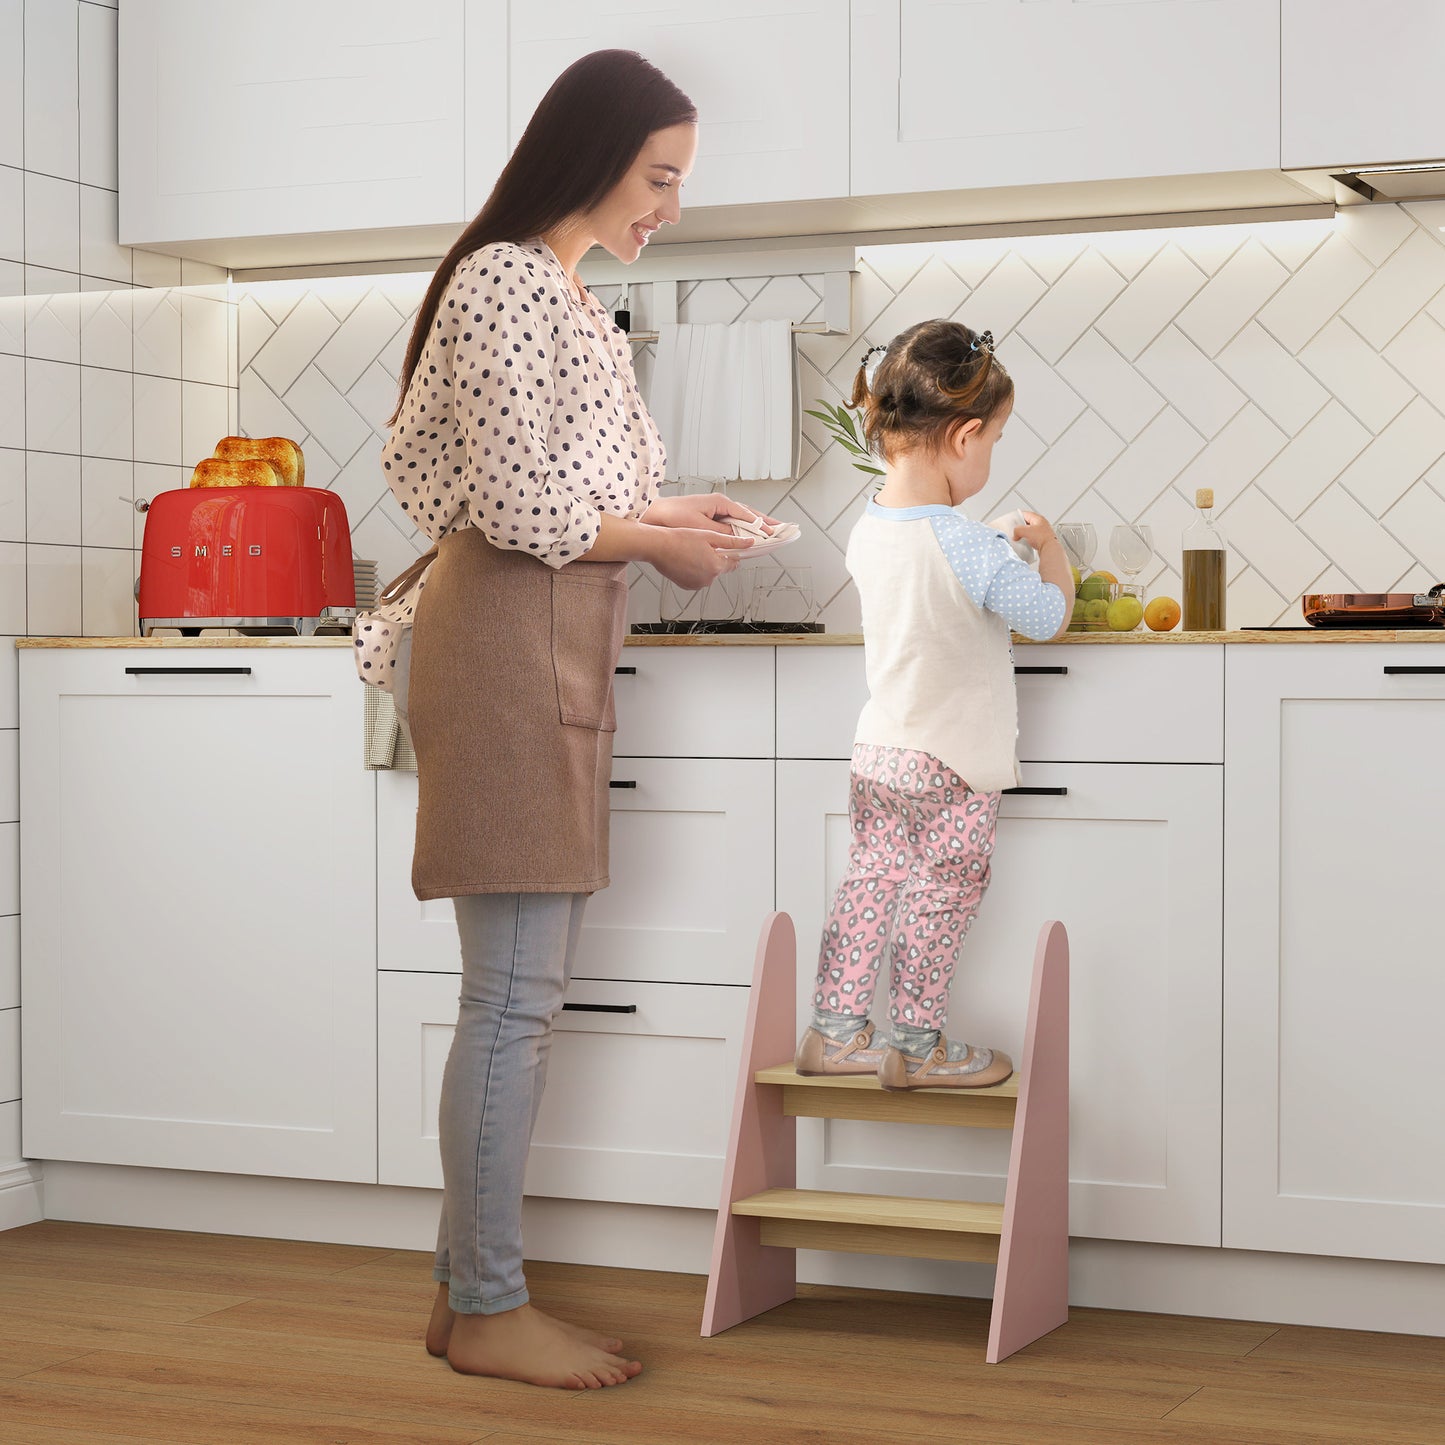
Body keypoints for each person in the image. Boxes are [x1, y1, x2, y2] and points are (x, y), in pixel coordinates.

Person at [379, 50, 770, 1391]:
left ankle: (462, 1298)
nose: (668, 202)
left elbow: (563, 493)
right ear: (590, 152)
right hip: (501, 645)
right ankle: (488, 1307)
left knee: (514, 995)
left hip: (540, 638)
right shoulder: (504, 282)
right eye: (658, 175)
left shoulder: (561, 290)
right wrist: (654, 548)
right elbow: (516, 508)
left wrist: (677, 519)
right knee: (513, 1002)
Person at [794, 321, 1074, 1091]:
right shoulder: (970, 544)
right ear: (965, 434)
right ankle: (917, 1046)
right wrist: (1047, 545)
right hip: (952, 764)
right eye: (996, 440)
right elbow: (1047, 614)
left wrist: (988, 537)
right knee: (940, 896)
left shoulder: (869, 527)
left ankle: (835, 1031)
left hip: (880, 752)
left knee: (870, 882)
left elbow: (931, 566)